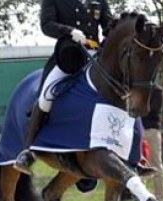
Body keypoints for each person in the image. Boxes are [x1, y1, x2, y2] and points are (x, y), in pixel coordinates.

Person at [14, 0, 113, 174]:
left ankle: (133, 155)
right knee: (46, 96)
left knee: (121, 91)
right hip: (70, 54)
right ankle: (29, 151)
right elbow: (47, 25)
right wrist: (69, 31)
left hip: (96, 55)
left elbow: (108, 25)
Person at [141, 85, 163, 201]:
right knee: (140, 164)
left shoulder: (157, 91)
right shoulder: (136, 89)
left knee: (156, 164)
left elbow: (151, 110)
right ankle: (142, 196)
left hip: (151, 130)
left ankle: (160, 197)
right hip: (138, 130)